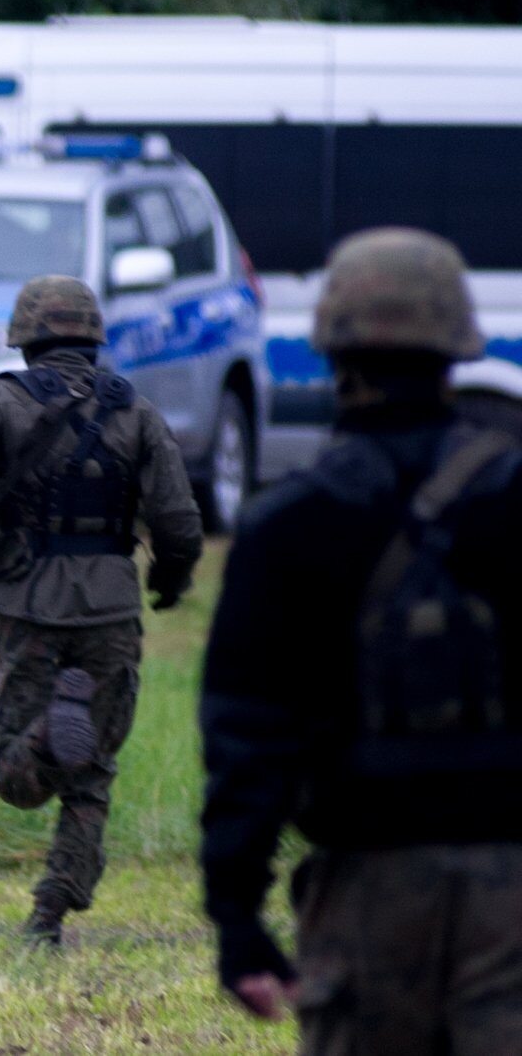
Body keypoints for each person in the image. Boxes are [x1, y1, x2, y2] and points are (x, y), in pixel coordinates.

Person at [200, 227, 522, 1053]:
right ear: (457, 347)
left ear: (331, 348)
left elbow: (247, 738)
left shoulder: (289, 526)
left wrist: (237, 916)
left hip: (368, 886)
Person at [0, 275, 202, 945]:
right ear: (93, 336)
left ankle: (47, 733)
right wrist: (168, 578)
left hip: (27, 603)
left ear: (25, 337)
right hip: (110, 605)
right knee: (93, 774)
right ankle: (48, 915)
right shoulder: (137, 412)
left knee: (17, 781)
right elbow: (180, 518)